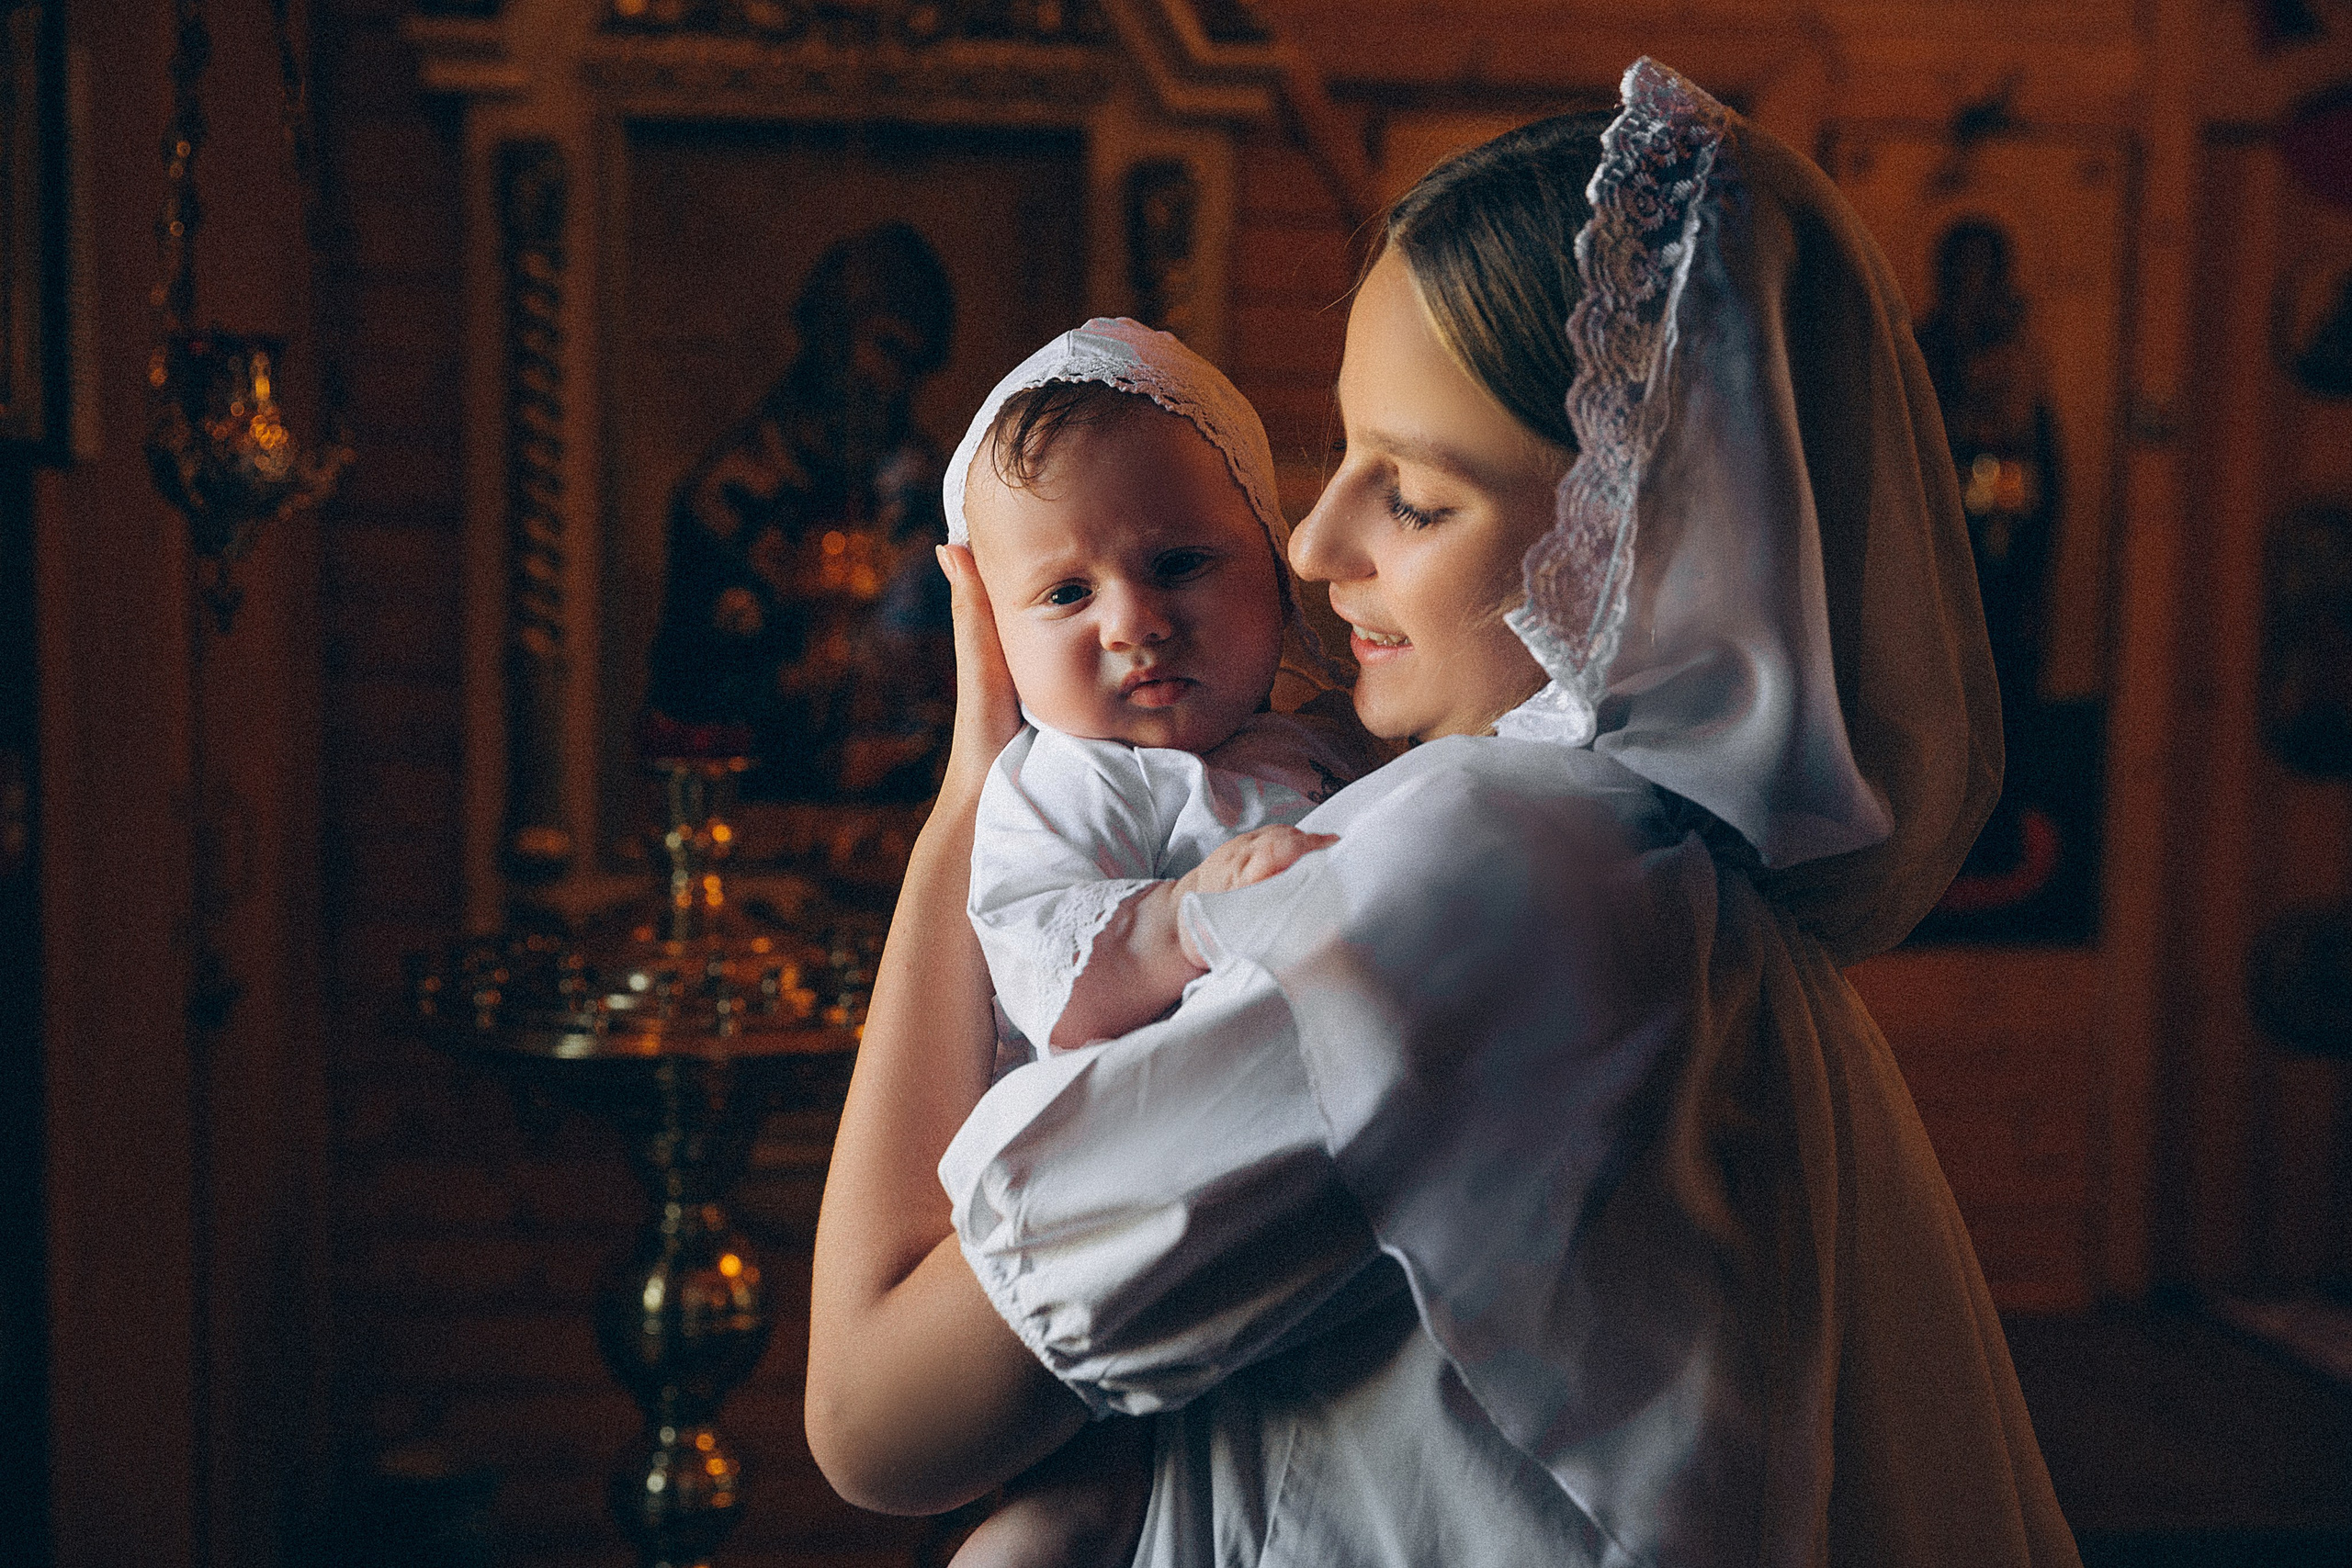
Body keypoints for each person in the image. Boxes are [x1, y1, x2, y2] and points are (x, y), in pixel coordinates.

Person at [808, 58, 2082, 1568]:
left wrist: (966, 804)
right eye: (1338, 453)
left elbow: (873, 1420)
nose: (1312, 539)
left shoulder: (1465, 886)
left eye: (1413, 495)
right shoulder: (1666, 859)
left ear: (1640, 531)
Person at [951, 321, 1381, 1061]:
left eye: (1179, 563)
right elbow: (1047, 972)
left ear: (1276, 570)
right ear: (995, 628)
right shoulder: (1067, 783)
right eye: (1067, 593)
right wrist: (1183, 918)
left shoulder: (1330, 735)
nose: (1133, 624)